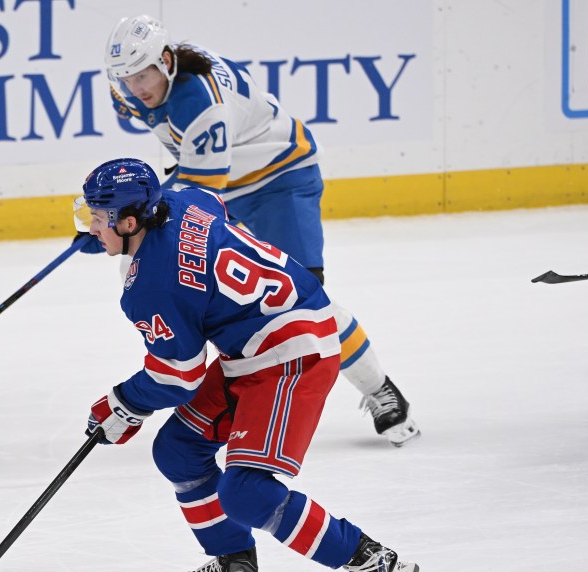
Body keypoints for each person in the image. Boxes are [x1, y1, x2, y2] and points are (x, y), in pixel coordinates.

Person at [76, 157, 418, 572]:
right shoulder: (183, 199)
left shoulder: (150, 288)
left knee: (248, 492)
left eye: (98, 218)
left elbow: (179, 377)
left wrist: (122, 404)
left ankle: (369, 559)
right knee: (177, 449)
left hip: (293, 354)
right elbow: (211, 215)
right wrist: (119, 243)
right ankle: (236, 565)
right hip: (260, 340)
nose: (90, 226)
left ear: (131, 222)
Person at [100, 15, 419, 447]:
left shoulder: (200, 101)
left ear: (168, 61)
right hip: (225, 186)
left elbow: (198, 192)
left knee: (304, 301)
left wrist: (126, 216)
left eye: (143, 74)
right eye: (126, 78)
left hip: (279, 181)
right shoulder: (141, 93)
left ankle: (378, 387)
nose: (136, 87)